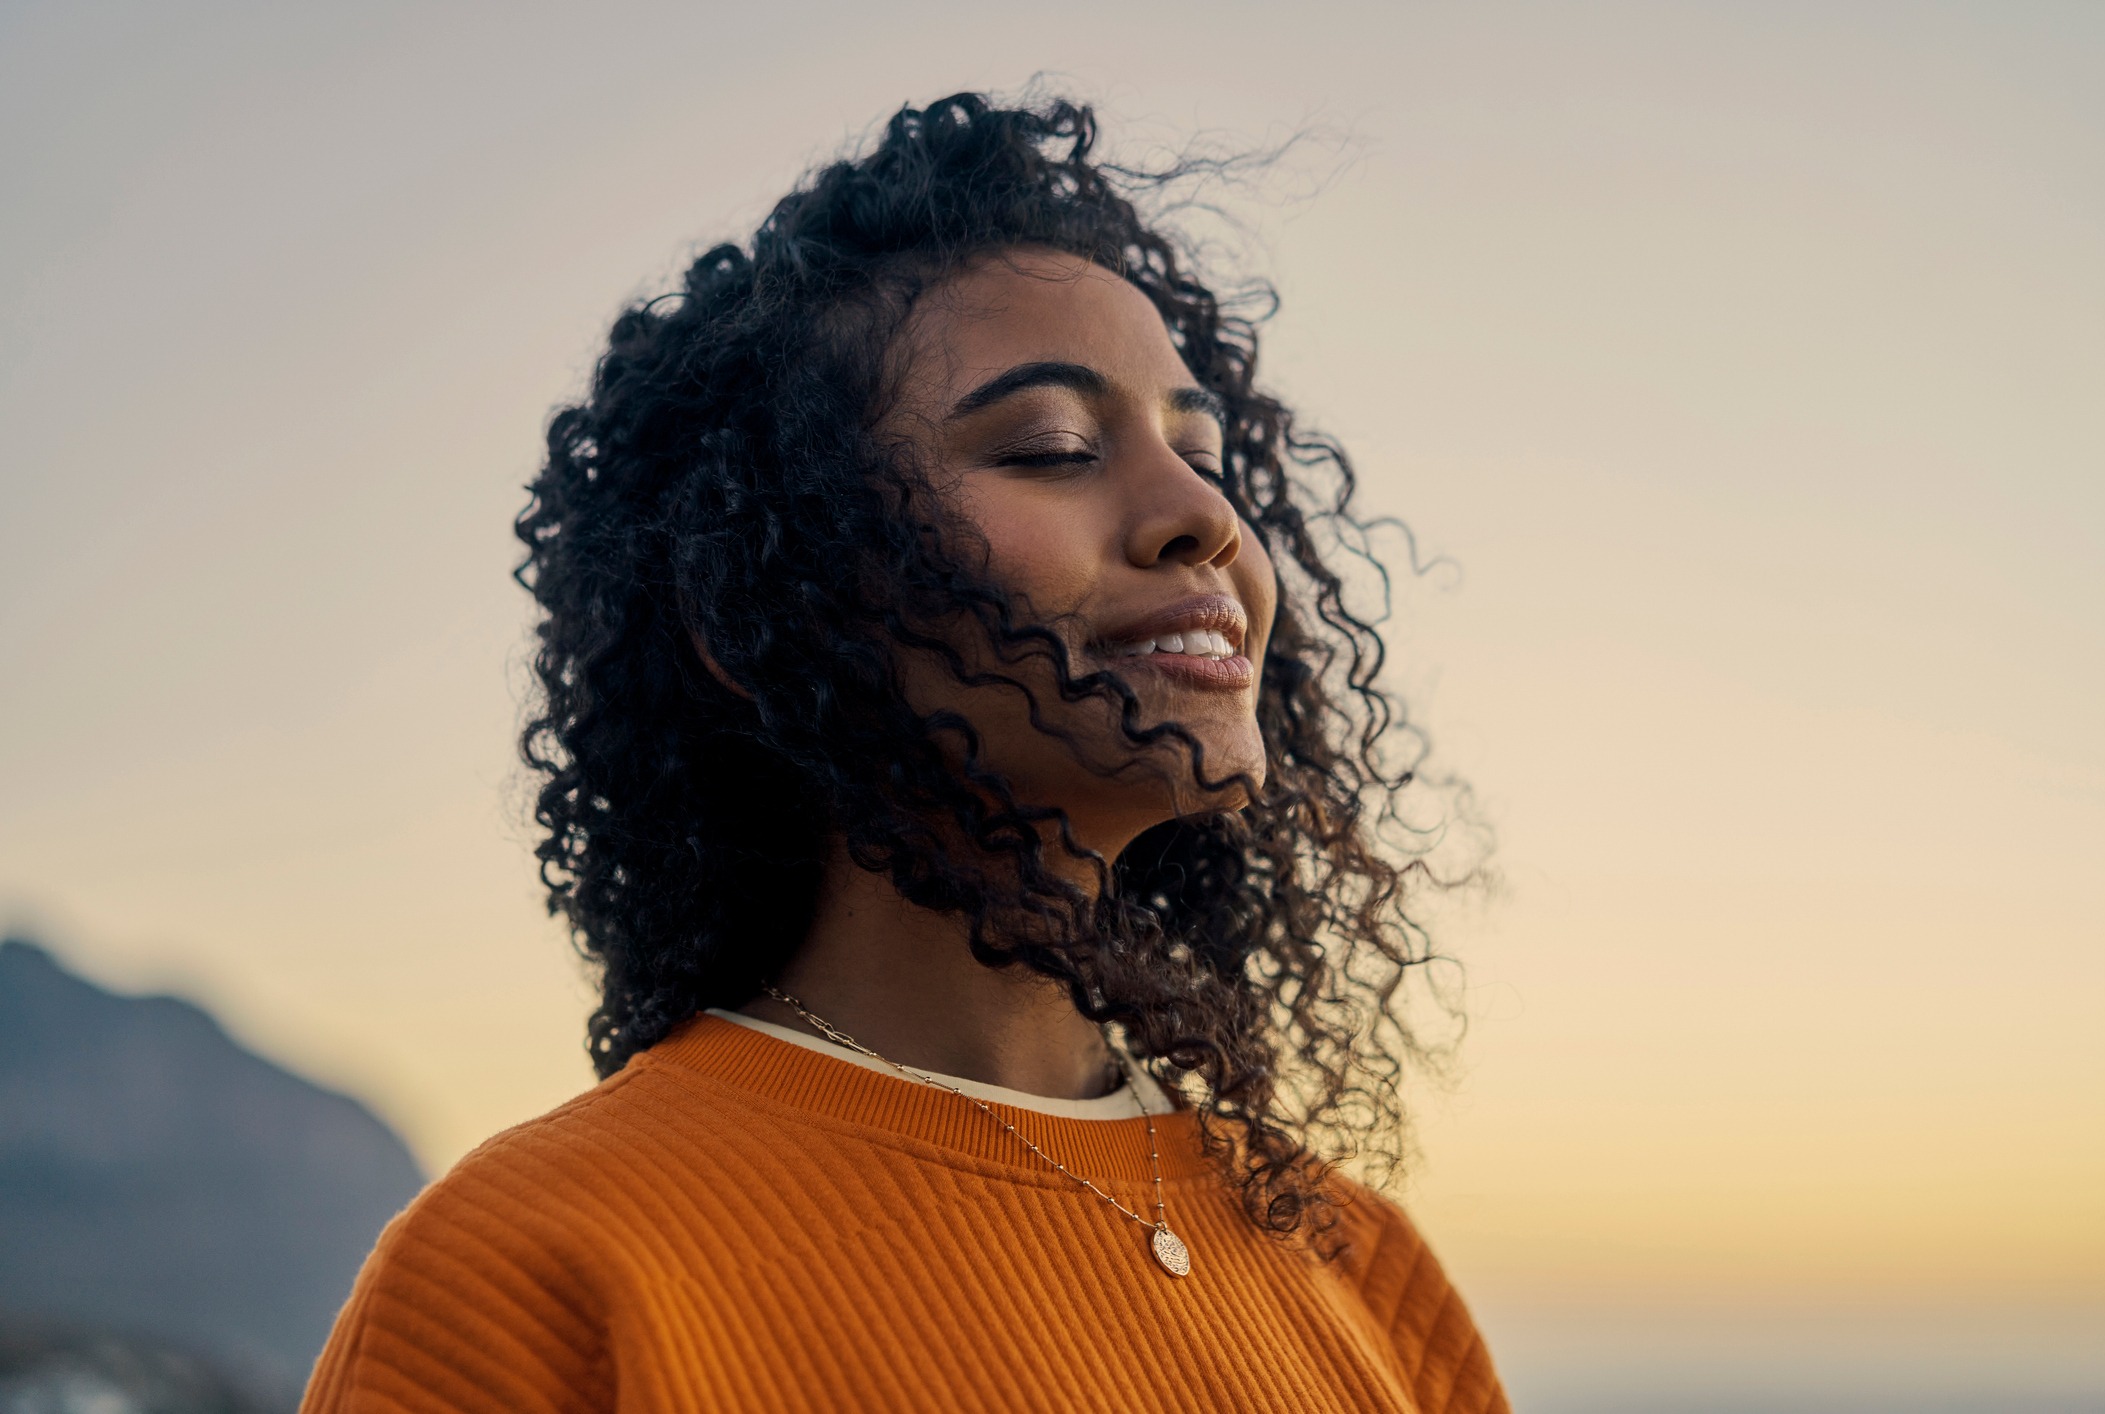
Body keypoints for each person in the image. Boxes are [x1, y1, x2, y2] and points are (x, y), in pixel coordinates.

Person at [302, 92, 1508, 1414]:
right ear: (766, 606)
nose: (1202, 519)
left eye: (1206, 454)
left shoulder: (1357, 1263)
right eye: (1053, 446)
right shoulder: (536, 1274)